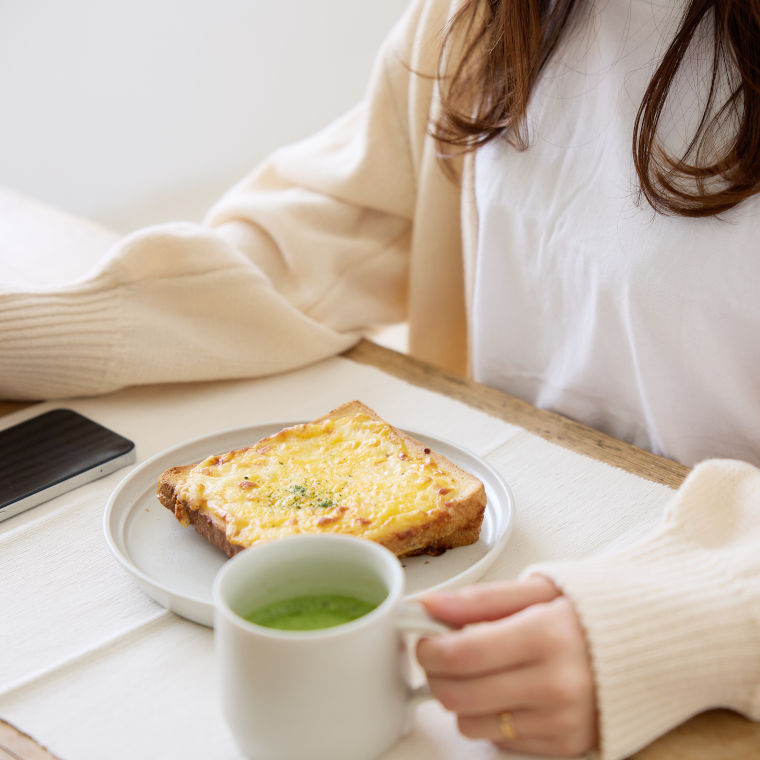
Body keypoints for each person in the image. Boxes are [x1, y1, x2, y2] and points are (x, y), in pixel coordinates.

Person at [2, 0, 760, 757]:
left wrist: (693, 617)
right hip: (470, 583)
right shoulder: (477, 20)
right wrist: (25, 336)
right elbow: (317, 242)